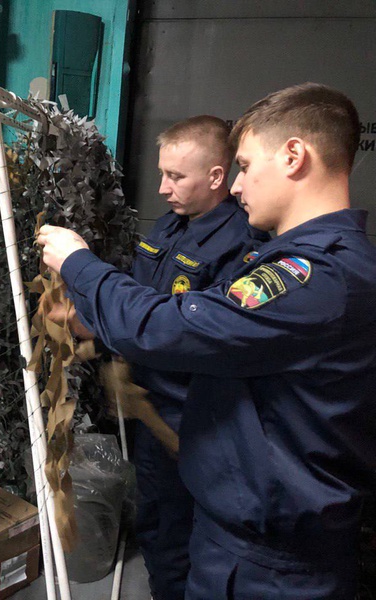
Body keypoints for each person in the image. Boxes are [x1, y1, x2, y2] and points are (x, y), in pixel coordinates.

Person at [37, 83, 376, 598]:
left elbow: (173, 325)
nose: (238, 187)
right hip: (245, 534)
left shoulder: (315, 277)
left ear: (293, 156)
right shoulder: (308, 265)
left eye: (244, 164)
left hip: (272, 564)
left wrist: (79, 262)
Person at [126, 116, 269, 599]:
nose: (163, 188)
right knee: (155, 523)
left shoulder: (242, 244)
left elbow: (216, 339)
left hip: (195, 418)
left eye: (176, 177)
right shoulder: (169, 226)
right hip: (149, 404)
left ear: (216, 176)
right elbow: (136, 299)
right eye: (163, 174)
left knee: (187, 533)